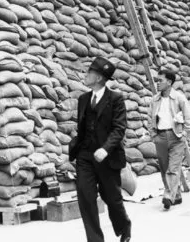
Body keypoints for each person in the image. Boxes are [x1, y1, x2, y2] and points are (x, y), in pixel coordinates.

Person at [69, 57, 132, 242]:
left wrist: (105, 149)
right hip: (85, 157)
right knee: (86, 198)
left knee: (112, 199)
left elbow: (119, 128)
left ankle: (124, 227)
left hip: (107, 157)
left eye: (89, 73)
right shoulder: (83, 99)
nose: (85, 75)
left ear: (98, 78)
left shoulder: (116, 99)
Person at [148, 69, 190, 211]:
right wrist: (153, 135)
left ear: (169, 82)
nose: (157, 83)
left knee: (173, 168)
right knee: (164, 167)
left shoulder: (179, 98)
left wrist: (185, 133)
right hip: (160, 137)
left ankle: (168, 196)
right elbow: (150, 119)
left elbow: (188, 115)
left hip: (176, 137)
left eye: (160, 80)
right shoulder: (155, 100)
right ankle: (177, 195)